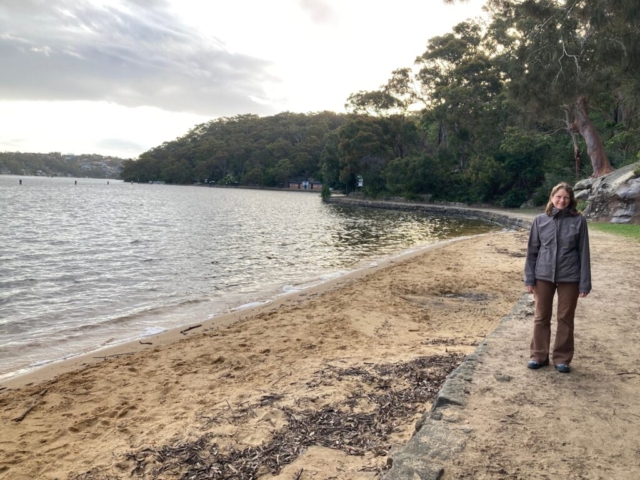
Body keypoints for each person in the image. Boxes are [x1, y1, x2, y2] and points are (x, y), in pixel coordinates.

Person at [524, 182, 591, 373]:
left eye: (566, 198)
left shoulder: (579, 221)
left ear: (571, 201)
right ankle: (538, 355)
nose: (562, 200)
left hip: (570, 277)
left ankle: (562, 358)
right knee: (541, 317)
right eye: (558, 197)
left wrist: (584, 283)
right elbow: (532, 252)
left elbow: (584, 253)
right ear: (552, 198)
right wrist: (529, 279)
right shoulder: (540, 220)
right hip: (542, 276)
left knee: (565, 318)